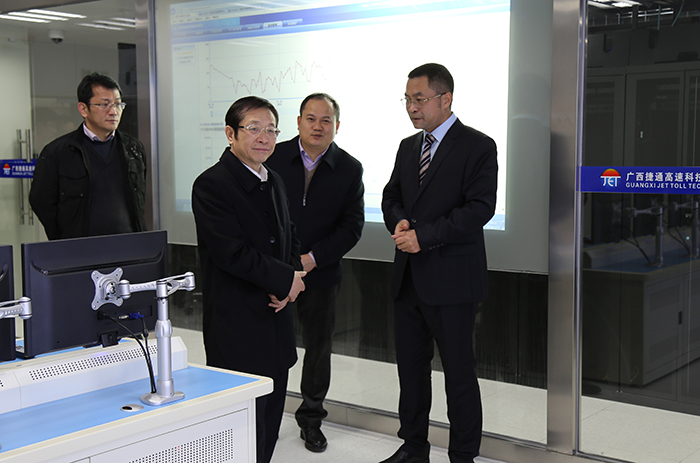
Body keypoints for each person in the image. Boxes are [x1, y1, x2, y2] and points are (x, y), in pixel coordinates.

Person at [380, 63, 498, 463]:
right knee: (411, 372)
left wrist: (423, 236)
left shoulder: (478, 146)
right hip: (408, 280)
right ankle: (414, 447)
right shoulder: (408, 146)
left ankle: (462, 455)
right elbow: (391, 195)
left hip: (452, 281)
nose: (412, 107)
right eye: (407, 100)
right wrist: (398, 220)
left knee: (459, 375)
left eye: (420, 99)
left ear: (445, 99)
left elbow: (479, 208)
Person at [191, 95, 306, 463]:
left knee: (270, 422)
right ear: (231, 133)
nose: (264, 137)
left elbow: (289, 235)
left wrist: (290, 282)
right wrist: (285, 279)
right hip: (238, 324)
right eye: (254, 128)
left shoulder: (274, 179)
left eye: (271, 130)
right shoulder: (212, 184)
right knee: (241, 428)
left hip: (276, 320)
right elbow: (232, 253)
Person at [266, 93, 364, 453]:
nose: (318, 126)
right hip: (274, 272)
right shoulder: (273, 156)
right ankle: (265, 415)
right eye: (311, 118)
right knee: (269, 346)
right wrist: (280, 264)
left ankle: (311, 420)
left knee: (318, 349)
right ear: (298, 122)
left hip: (319, 275)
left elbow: (351, 227)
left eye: (326, 120)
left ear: (337, 126)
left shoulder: (350, 169)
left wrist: (310, 260)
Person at [29, 72, 147, 240]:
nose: (113, 111)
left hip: (128, 245)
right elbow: (40, 200)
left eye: (118, 104)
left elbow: (139, 200)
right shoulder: (57, 152)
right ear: (83, 109)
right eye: (104, 104)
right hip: (80, 248)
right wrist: (64, 237)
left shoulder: (133, 148)